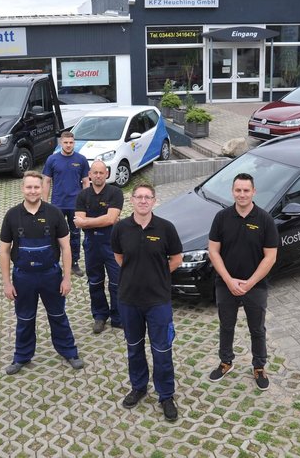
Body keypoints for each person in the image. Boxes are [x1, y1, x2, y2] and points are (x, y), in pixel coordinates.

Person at [0, 170, 84, 375]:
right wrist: (7, 283)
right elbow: (3, 251)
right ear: (22, 189)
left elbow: (66, 248)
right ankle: (22, 356)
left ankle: (69, 352)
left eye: (37, 187)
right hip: (23, 277)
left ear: (42, 189)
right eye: (29, 187)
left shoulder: (54, 213)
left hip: (50, 276)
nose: (33, 191)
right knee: (25, 318)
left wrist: (66, 278)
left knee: (58, 315)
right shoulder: (12, 215)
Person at [111, 184, 183, 422]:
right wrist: (136, 275)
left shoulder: (166, 228)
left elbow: (177, 259)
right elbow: (119, 256)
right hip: (129, 300)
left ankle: (166, 395)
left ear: (154, 201)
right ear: (132, 200)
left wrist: (157, 276)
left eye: (147, 197)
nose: (143, 201)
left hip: (158, 301)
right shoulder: (121, 228)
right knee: (134, 347)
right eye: (139, 197)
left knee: (162, 349)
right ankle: (139, 387)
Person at [207, 173, 278, 390]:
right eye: (238, 190)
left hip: (255, 286)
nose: (242, 194)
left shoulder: (265, 219)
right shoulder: (222, 217)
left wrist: (248, 283)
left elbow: (270, 257)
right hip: (225, 284)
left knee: (257, 329)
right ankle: (226, 361)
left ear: (254, 192)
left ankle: (259, 366)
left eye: (246, 190)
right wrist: (229, 281)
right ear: (232, 192)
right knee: (226, 326)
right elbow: (213, 250)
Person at [74, 160, 123, 333]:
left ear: (107, 174)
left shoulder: (115, 193)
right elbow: (78, 223)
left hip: (112, 244)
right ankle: (100, 316)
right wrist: (102, 220)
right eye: (95, 172)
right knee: (95, 281)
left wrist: (88, 221)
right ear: (89, 174)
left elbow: (111, 219)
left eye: (101, 172)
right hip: (91, 245)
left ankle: (118, 317)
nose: (98, 176)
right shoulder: (83, 196)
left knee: (117, 282)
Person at [42, 131, 90, 277]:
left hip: (75, 205)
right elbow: (46, 181)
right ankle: (53, 262)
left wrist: (86, 202)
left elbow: (86, 182)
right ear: (60, 143)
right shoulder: (52, 160)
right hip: (57, 205)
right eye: (66, 142)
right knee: (54, 234)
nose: (68, 145)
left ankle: (74, 263)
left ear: (74, 143)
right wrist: (44, 203)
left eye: (71, 142)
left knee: (75, 234)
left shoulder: (81, 160)